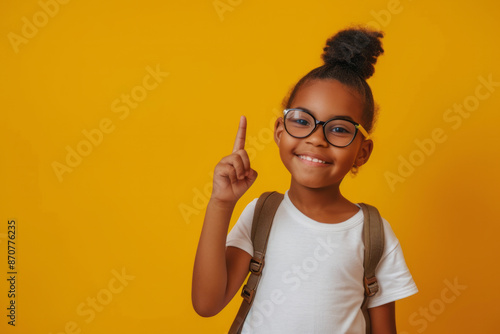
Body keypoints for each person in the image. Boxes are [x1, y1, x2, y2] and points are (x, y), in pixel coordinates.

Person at [192, 26, 418, 333]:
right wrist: (221, 203)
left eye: (339, 128)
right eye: (301, 121)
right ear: (280, 131)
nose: (316, 139)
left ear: (362, 151)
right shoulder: (262, 215)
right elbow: (207, 304)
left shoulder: (374, 234)